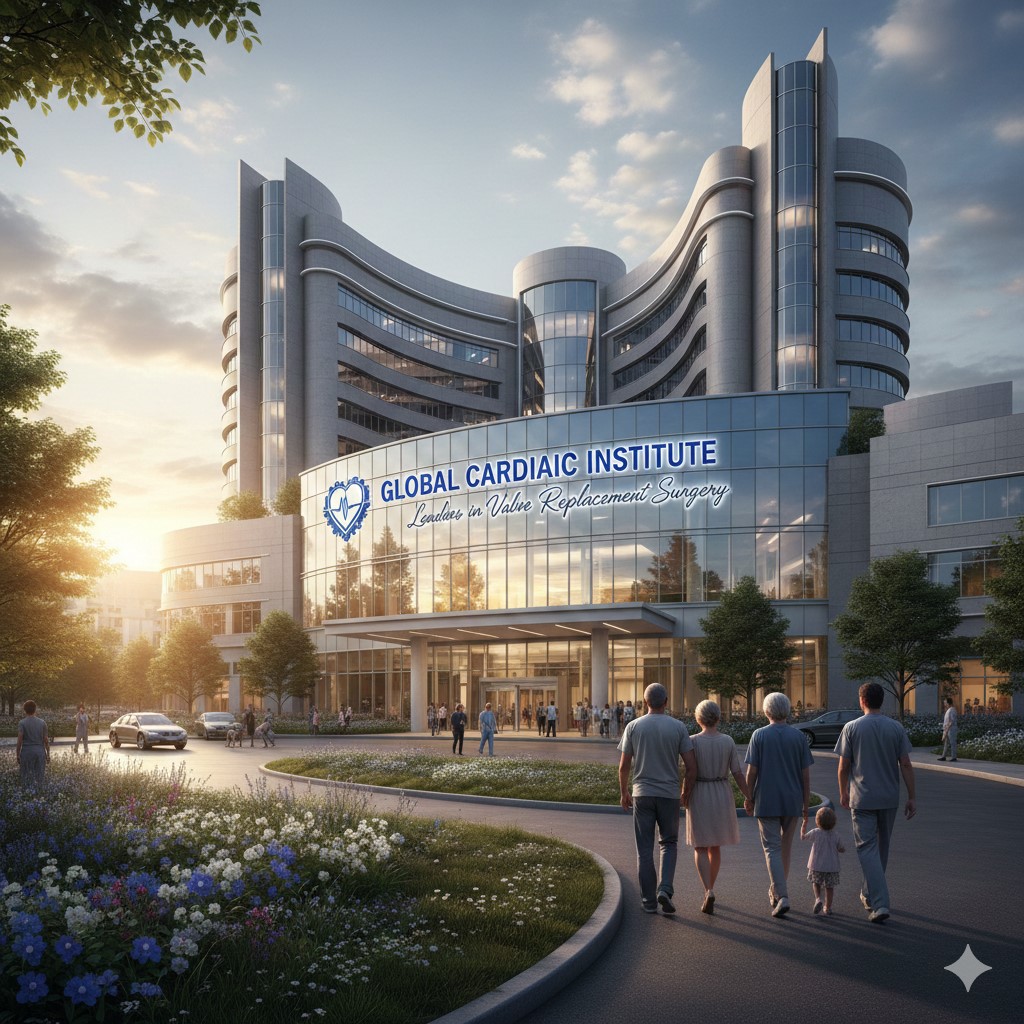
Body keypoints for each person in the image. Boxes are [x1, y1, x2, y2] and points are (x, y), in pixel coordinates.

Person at [835, 681, 916, 924]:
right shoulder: (896, 728)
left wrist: (843, 792)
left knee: (866, 849)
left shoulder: (851, 728)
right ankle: (869, 894)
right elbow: (906, 763)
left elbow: (843, 766)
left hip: (863, 798)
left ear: (862, 701)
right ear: (882, 701)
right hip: (889, 798)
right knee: (881, 849)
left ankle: (880, 903)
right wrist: (912, 796)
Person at [618, 683, 697, 915]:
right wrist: (686, 791)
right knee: (669, 843)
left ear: (644, 703)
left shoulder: (633, 726)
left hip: (642, 794)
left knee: (644, 850)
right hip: (669, 795)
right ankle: (665, 888)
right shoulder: (678, 727)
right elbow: (691, 767)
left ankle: (649, 902)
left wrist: (624, 792)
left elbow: (624, 766)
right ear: (666, 701)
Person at [744, 692, 813, 919]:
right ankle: (777, 891)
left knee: (771, 848)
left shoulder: (759, 735)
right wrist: (805, 805)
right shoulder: (799, 737)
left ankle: (781, 895)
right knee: (785, 847)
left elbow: (752, 771)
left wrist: (748, 796)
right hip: (792, 799)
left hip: (767, 799)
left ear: (766, 711)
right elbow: (805, 776)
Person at [685, 700, 752, 914]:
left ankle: (708, 890)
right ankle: (710, 888)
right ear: (718, 718)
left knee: (700, 845)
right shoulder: (728, 741)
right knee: (715, 846)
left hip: (700, 792)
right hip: (722, 792)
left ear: (698, 719)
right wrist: (749, 796)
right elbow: (738, 773)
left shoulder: (692, 741)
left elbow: (688, 771)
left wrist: (684, 794)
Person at [800, 805, 845, 915]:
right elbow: (841, 849)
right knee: (829, 887)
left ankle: (818, 899)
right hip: (831, 866)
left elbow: (803, 837)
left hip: (817, 865)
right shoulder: (836, 835)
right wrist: (841, 849)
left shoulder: (815, 832)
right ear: (834, 822)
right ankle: (827, 907)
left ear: (817, 821)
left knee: (816, 883)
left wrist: (803, 826)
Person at [17, 700, 50, 788]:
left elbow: (20, 740)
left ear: (25, 710)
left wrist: (17, 754)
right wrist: (48, 754)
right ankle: (38, 796)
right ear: (35, 709)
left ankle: (27, 796)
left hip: (26, 751)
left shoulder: (22, 723)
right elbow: (46, 740)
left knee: (26, 776)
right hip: (39, 751)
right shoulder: (42, 723)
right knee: (40, 777)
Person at [938, 696, 958, 761]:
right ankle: (943, 756)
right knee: (946, 743)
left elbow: (951, 721)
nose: (944, 704)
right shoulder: (949, 710)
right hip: (948, 729)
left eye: (945, 703)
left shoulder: (952, 710)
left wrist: (947, 729)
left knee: (952, 743)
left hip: (951, 729)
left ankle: (953, 757)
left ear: (948, 703)